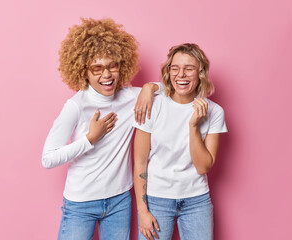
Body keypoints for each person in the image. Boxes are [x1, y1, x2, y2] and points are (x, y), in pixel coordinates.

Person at [42, 18, 161, 240]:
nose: (106, 75)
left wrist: (149, 87)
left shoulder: (131, 98)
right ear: (83, 71)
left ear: (121, 65)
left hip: (119, 201)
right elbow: (48, 159)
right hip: (80, 203)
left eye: (112, 65)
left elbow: (171, 90)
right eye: (97, 68)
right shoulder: (76, 105)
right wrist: (90, 138)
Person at [133, 43, 228, 240]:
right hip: (157, 199)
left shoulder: (214, 111)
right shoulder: (153, 104)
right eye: (175, 68)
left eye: (189, 69)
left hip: (197, 201)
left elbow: (203, 167)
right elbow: (140, 162)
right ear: (168, 71)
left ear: (200, 72)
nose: (181, 75)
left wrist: (193, 127)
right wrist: (142, 211)